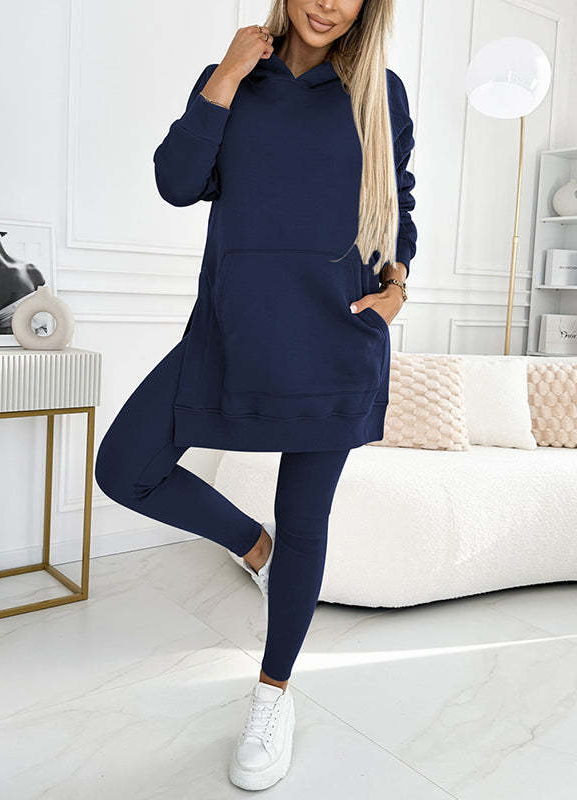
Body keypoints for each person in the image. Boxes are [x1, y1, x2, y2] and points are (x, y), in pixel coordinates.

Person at [95, 0, 417, 790]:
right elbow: (177, 183)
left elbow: (398, 199)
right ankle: (254, 548)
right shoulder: (232, 76)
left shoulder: (381, 92)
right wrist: (226, 78)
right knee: (125, 466)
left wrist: (399, 282)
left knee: (306, 521)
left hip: (336, 334)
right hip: (230, 331)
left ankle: (273, 695)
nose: (328, 4)